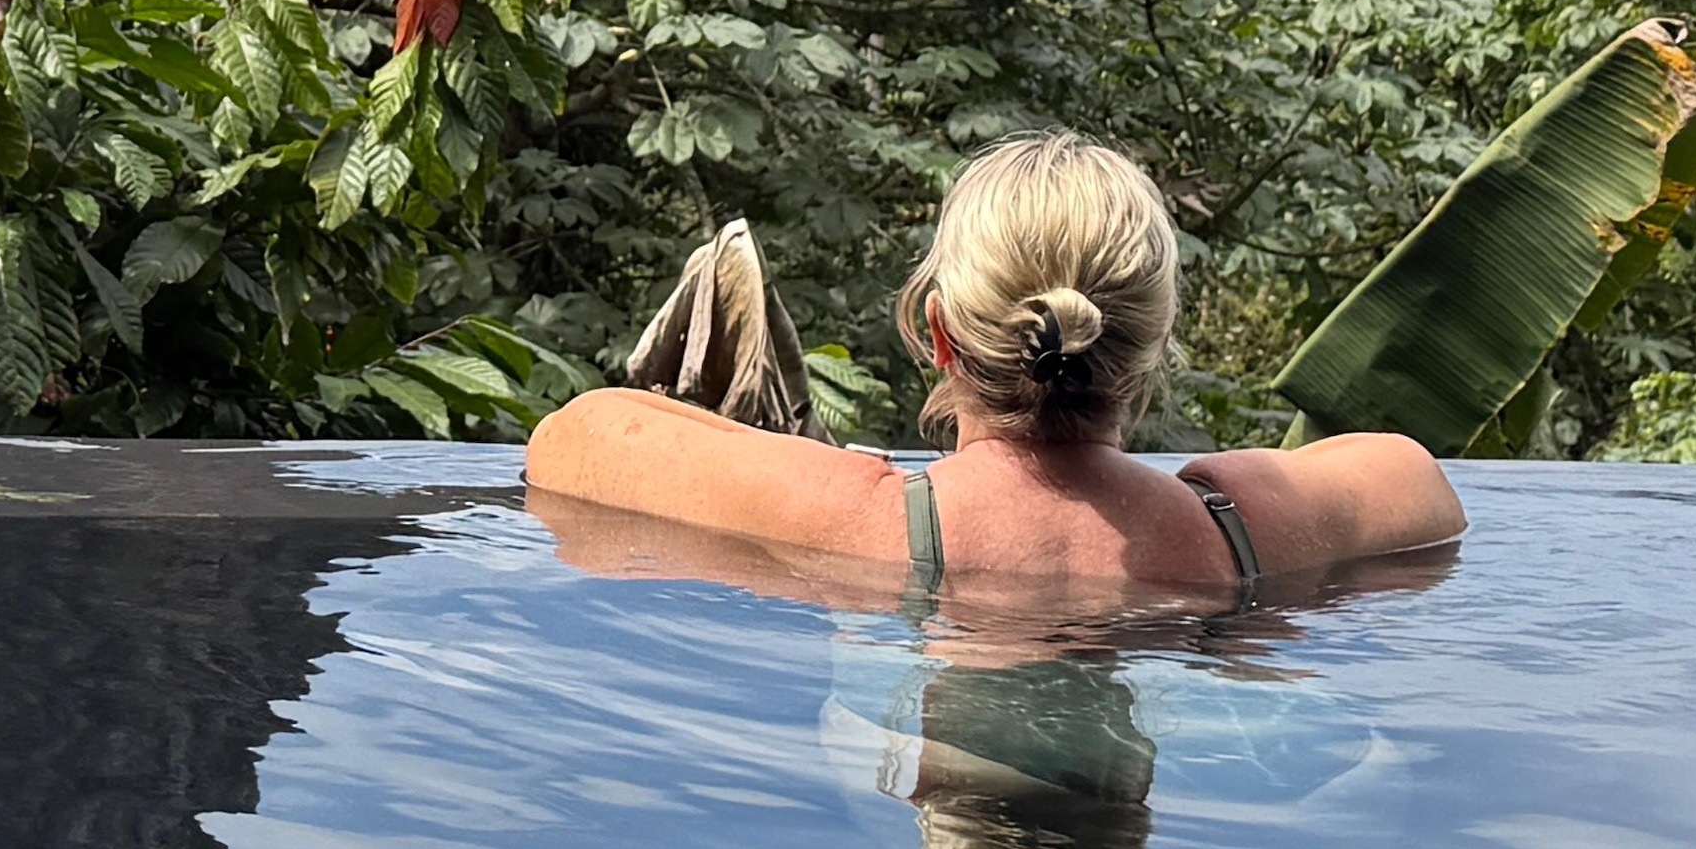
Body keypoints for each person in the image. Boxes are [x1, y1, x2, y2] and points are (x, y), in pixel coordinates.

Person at [525, 135, 1464, 608]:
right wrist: (1242, 492)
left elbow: (576, 435)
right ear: (1151, 345)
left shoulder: (862, 516)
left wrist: (813, 473)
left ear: (938, 334)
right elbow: (1419, 478)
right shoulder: (1244, 530)